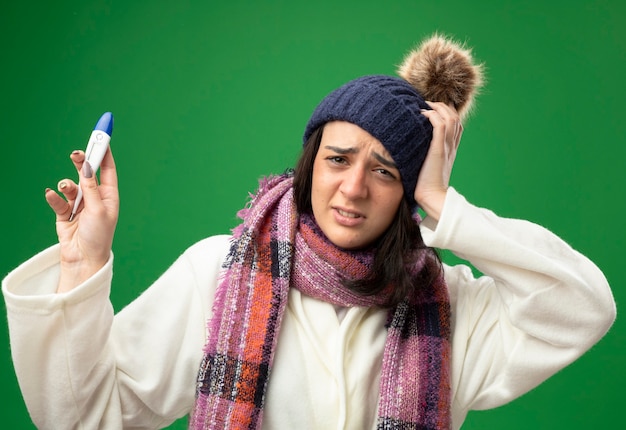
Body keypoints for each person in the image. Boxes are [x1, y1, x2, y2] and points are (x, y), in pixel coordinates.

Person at [2, 34, 616, 430]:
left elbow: (582, 308)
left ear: (408, 193)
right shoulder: (216, 275)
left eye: (386, 172)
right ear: (310, 163)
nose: (353, 189)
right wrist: (83, 266)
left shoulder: (453, 305)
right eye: (339, 159)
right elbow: (79, 416)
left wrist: (444, 204)